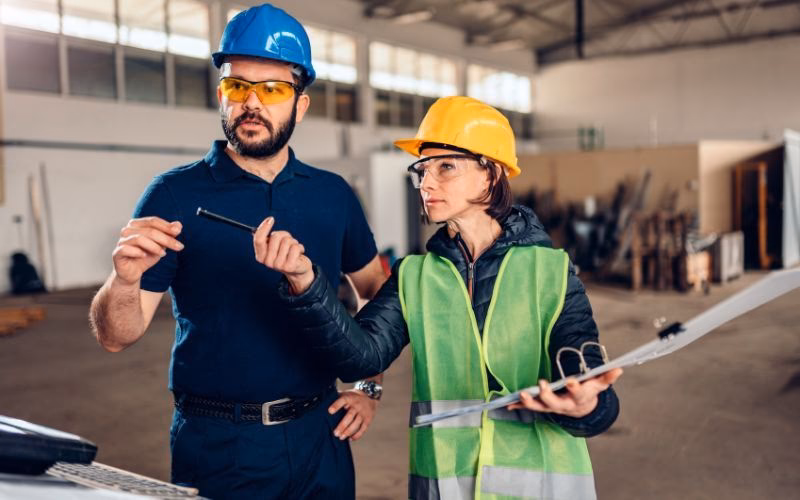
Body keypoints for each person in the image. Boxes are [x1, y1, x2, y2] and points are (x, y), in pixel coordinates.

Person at [88, 4, 387, 498]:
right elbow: (118, 336)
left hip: (322, 434)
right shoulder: (174, 195)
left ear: (301, 104)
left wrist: (368, 386)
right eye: (237, 86)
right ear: (221, 94)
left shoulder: (332, 194)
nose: (252, 103)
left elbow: (378, 293)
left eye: (271, 89)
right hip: (221, 444)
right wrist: (121, 281)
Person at [258, 96, 623, 500]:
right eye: (422, 170)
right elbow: (361, 357)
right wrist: (305, 283)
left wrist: (588, 405)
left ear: (491, 174)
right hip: (445, 487)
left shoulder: (551, 270)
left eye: (445, 166)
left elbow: (587, 375)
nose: (426, 183)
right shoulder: (414, 276)